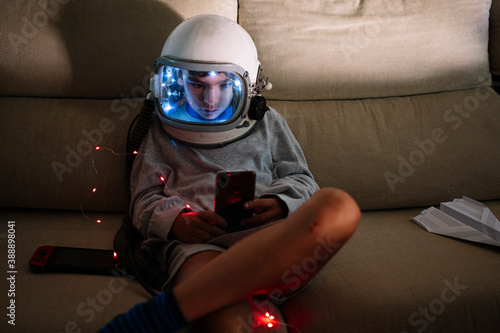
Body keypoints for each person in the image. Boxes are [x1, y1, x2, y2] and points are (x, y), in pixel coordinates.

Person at [100, 14, 360, 332]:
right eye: (197, 84)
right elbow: (143, 199)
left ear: (250, 85)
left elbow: (302, 180)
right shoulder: (161, 130)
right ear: (173, 81)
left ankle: (212, 295)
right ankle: (191, 308)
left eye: (224, 85)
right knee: (231, 314)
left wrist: (280, 203)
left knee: (339, 206)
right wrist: (177, 223)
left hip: (271, 246)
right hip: (200, 251)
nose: (210, 100)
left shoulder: (268, 123)